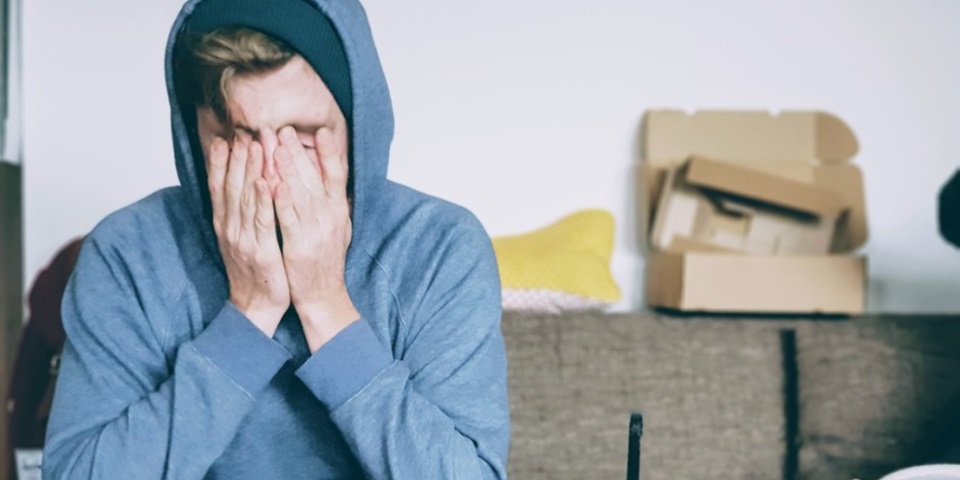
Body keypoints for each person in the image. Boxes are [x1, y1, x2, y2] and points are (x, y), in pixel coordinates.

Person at [42, 0, 510, 478]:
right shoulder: (127, 253)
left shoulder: (441, 248)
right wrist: (249, 314)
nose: (271, 173)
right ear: (194, 134)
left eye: (303, 137)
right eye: (239, 138)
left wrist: (326, 305)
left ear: (357, 124)